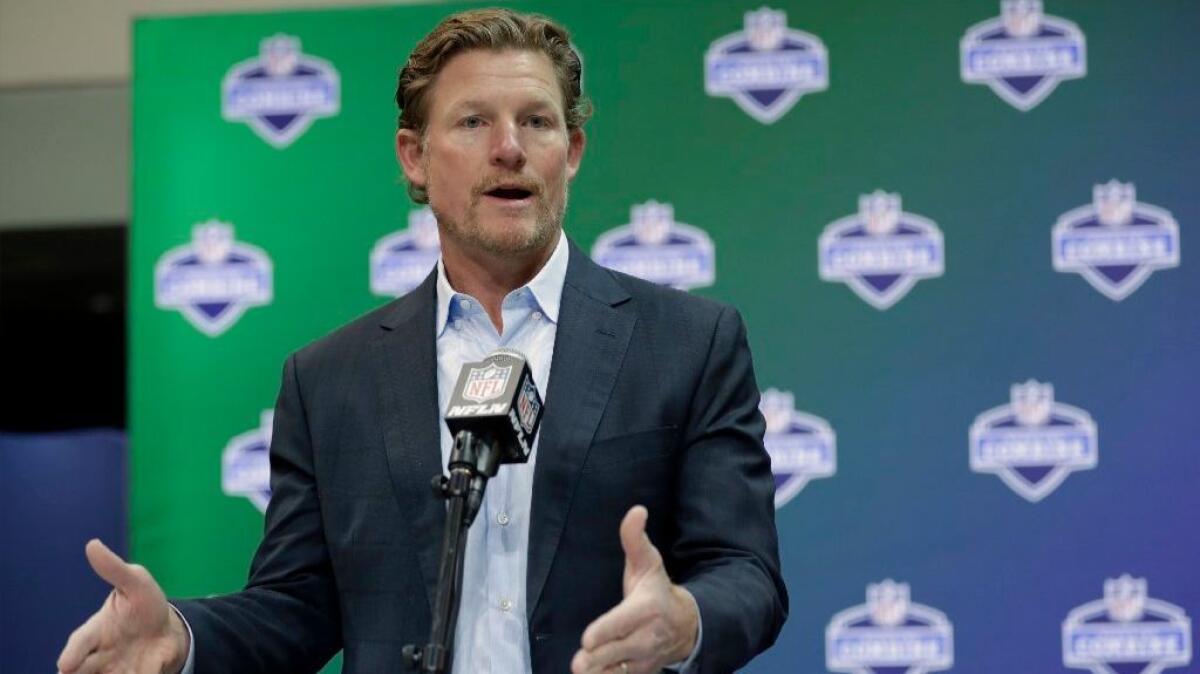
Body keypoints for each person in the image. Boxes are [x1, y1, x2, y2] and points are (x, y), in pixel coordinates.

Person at [57, 8, 787, 674]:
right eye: (473, 123)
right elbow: (298, 605)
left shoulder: (689, 344)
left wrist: (683, 620)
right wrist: (183, 638)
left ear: (573, 152)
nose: (509, 149)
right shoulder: (329, 380)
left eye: (537, 122)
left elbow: (746, 572)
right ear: (413, 155)